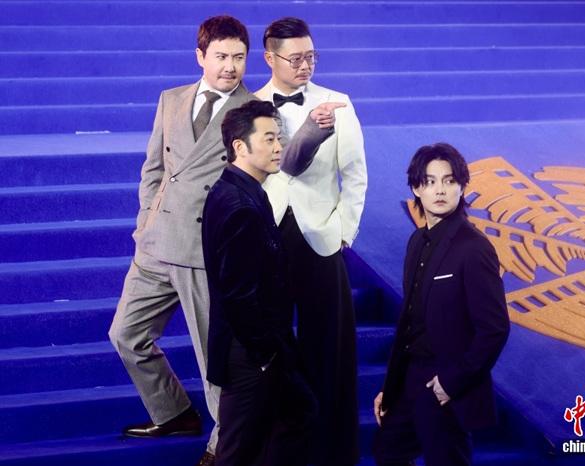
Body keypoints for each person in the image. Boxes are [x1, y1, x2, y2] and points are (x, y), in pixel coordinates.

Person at [108, 15, 340, 466]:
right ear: (200, 56)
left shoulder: (254, 108)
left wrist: (315, 130)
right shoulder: (171, 99)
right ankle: (172, 411)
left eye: (238, 57)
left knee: (214, 360)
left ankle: (222, 446)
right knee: (125, 335)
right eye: (221, 56)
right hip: (156, 244)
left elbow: (287, 159)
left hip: (204, 251)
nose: (230, 66)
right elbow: (154, 168)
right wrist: (145, 222)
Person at [254, 17, 368, 466]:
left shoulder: (337, 102)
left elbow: (354, 174)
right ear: (270, 58)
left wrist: (343, 232)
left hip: (321, 237)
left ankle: (335, 454)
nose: (305, 66)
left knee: (331, 349)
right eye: (295, 58)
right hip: (267, 238)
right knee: (272, 348)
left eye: (311, 57)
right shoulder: (249, 104)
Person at [203, 100, 334, 466]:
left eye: (279, 138)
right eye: (269, 139)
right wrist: (264, 354)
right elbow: (238, 294)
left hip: (264, 348)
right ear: (240, 146)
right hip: (251, 353)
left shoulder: (244, 190)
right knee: (237, 451)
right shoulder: (240, 205)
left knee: (299, 413)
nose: (279, 147)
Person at [373, 143, 510, 466]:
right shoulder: (416, 241)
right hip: (410, 375)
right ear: (416, 188)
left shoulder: (474, 247)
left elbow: (494, 328)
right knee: (387, 451)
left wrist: (450, 383)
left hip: (445, 380)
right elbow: (409, 322)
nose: (440, 190)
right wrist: (391, 387)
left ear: (462, 187)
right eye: (430, 181)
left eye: (449, 181)